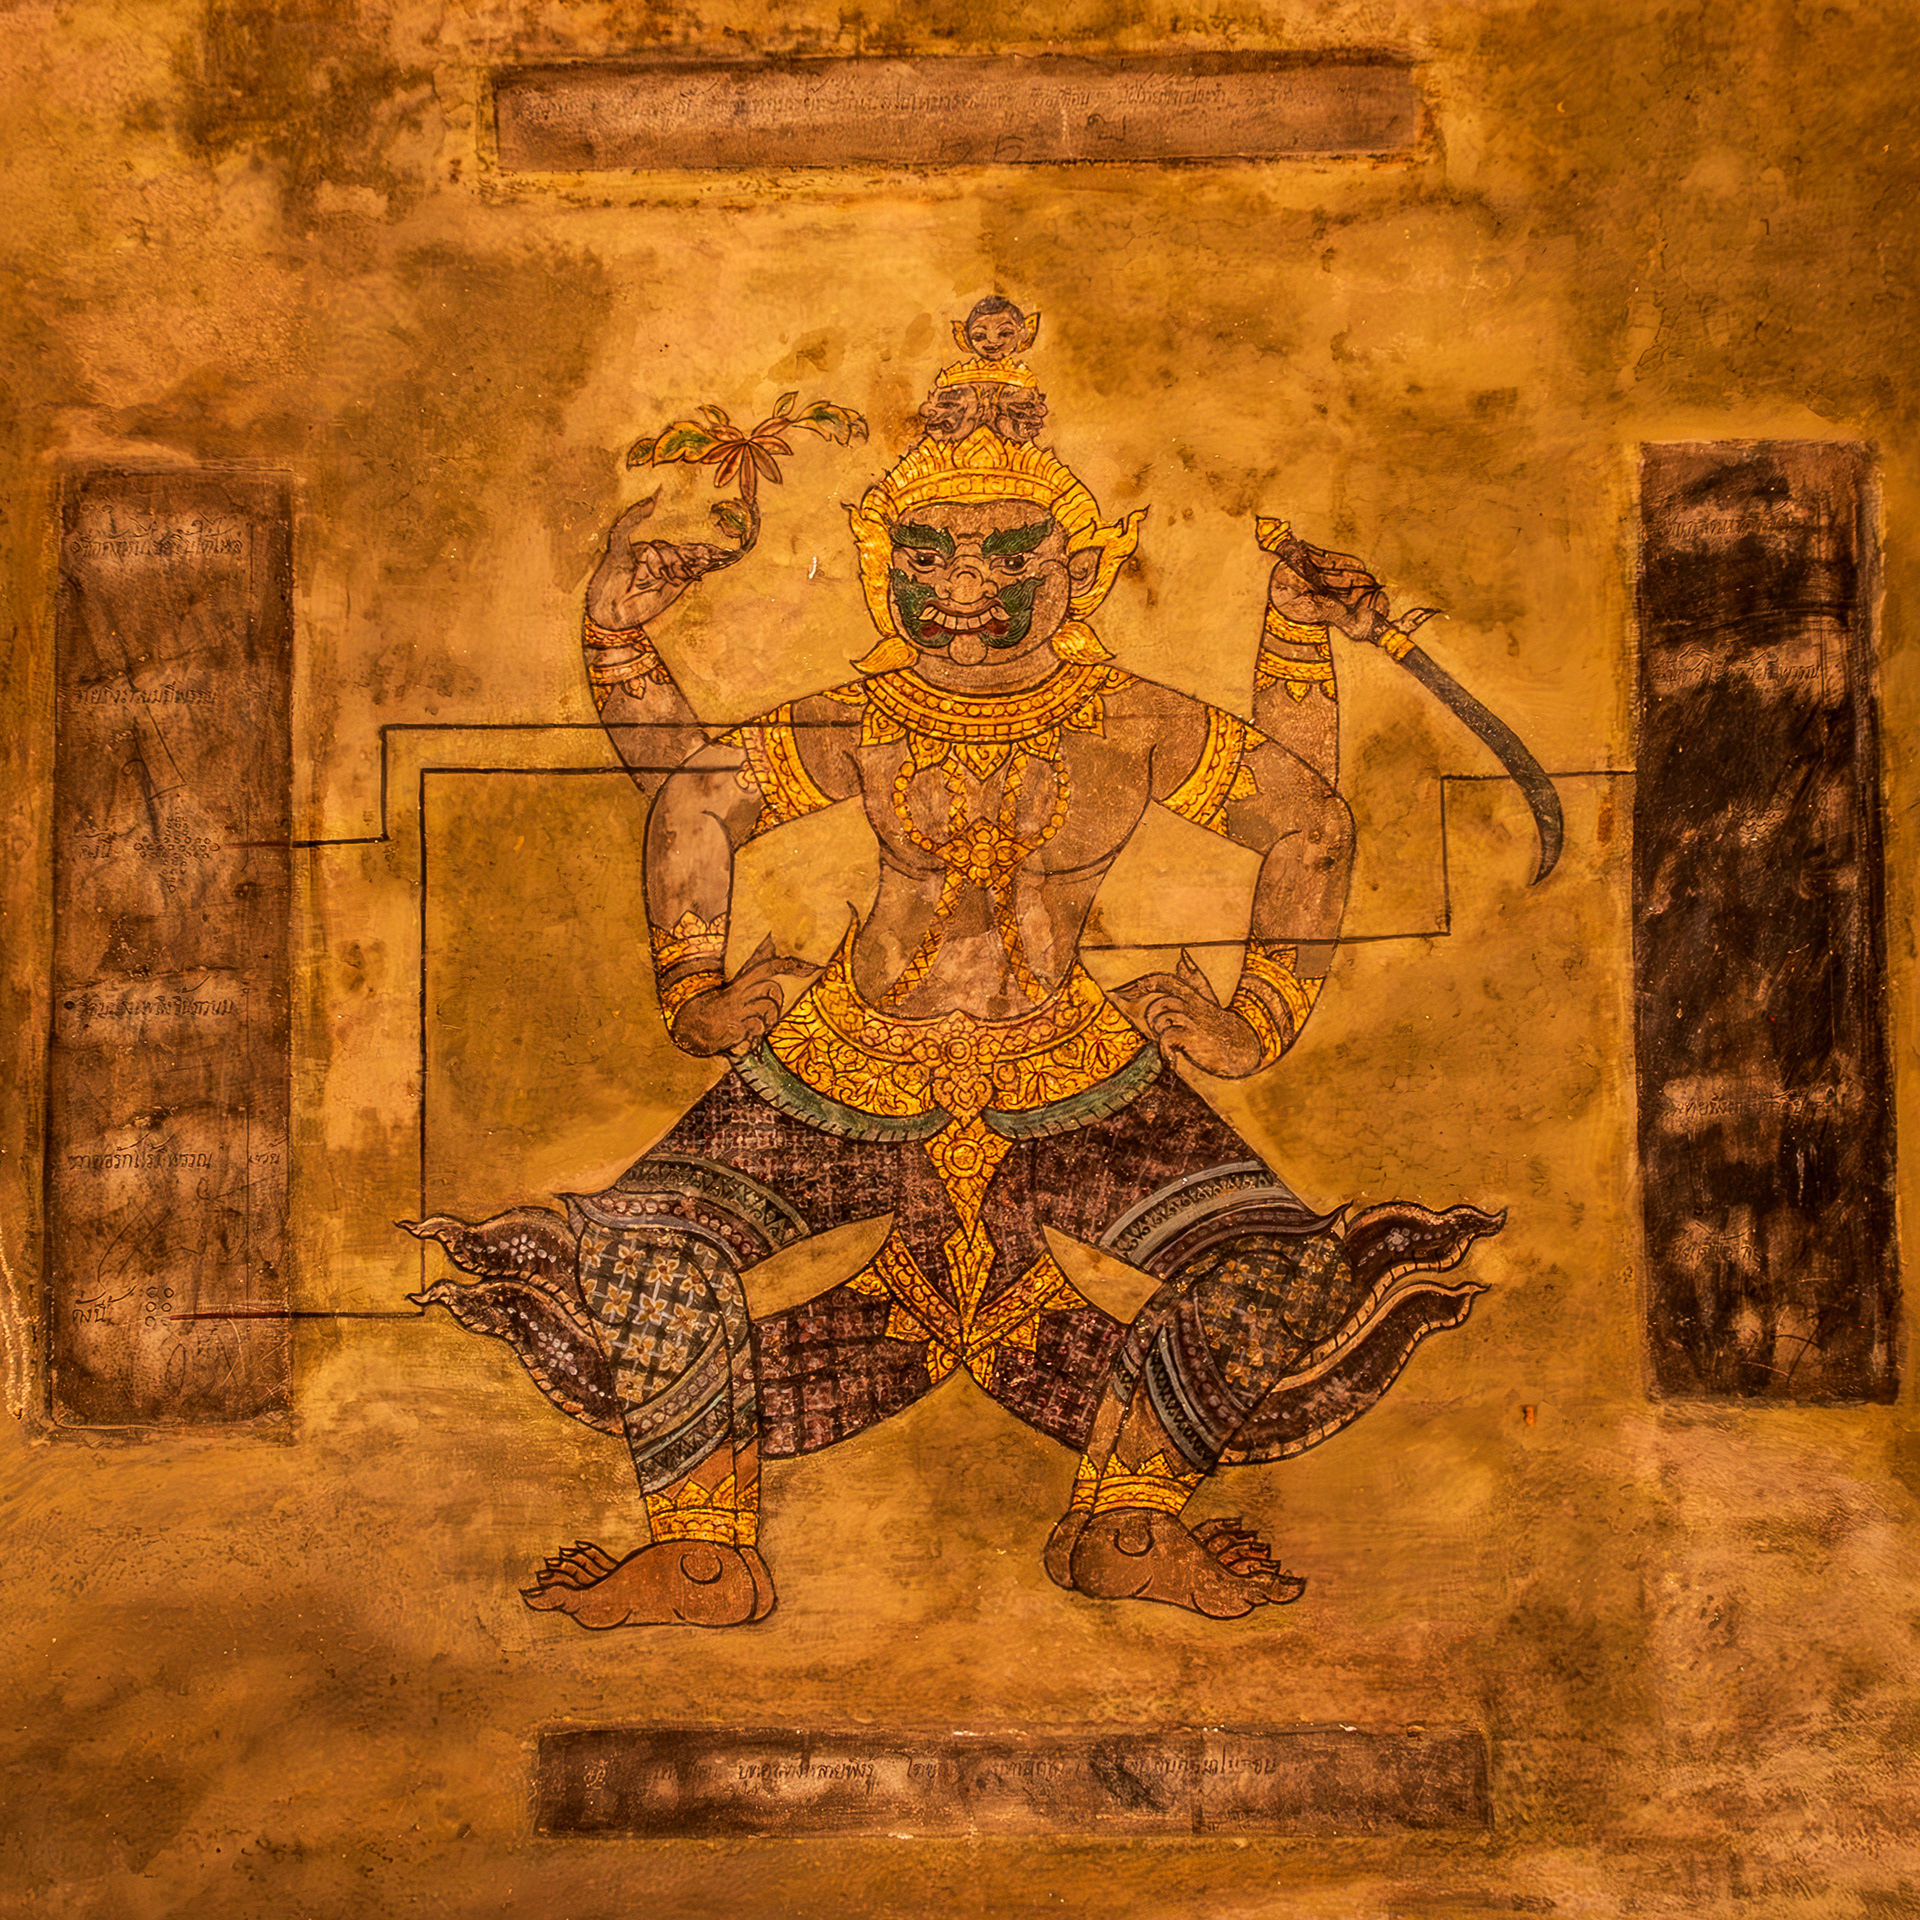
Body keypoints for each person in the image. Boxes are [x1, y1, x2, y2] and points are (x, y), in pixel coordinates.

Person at [408, 318, 1499, 1630]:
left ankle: (1128, 1520)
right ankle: (702, 1551)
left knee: (1277, 1268)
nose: (963, 583)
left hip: (1073, 1071)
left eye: (1002, 553)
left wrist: (1253, 1020)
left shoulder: (1134, 721)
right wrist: (693, 974)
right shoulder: (867, 718)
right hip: (842, 1068)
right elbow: (694, 795)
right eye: (926, 554)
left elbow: (1308, 822)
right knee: (642, 1254)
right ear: (883, 572)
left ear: (1078, 570)